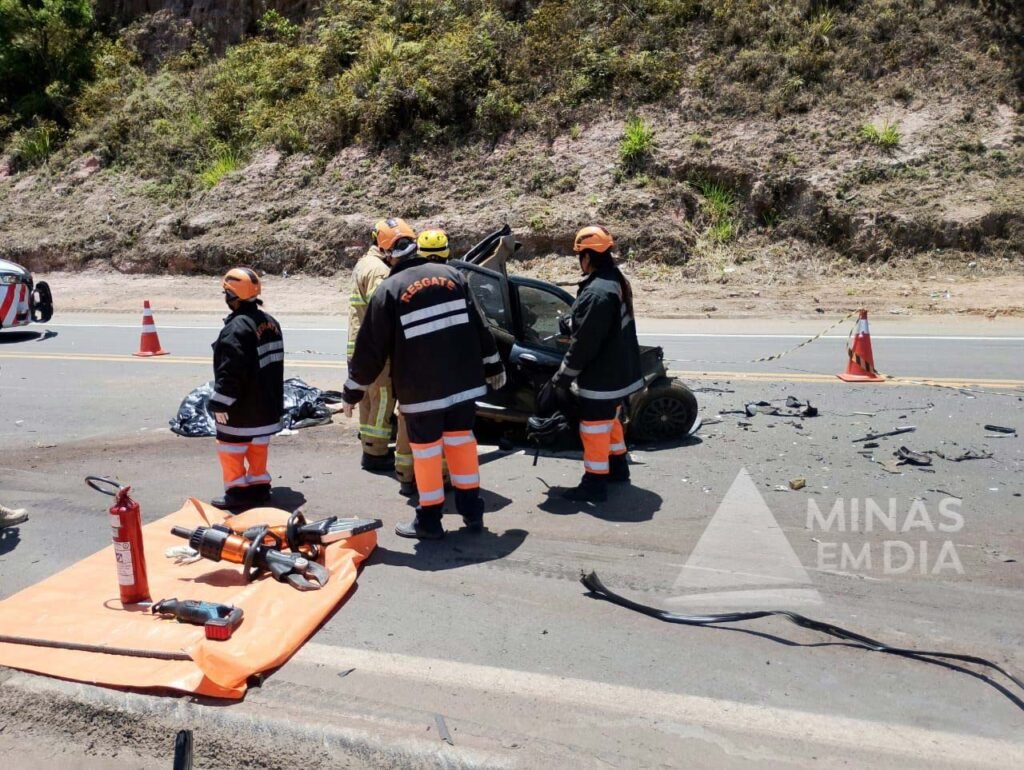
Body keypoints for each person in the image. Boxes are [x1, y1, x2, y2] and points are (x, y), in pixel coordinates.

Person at [342, 229, 506, 539]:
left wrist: (353, 390)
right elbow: (479, 325)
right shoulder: (454, 276)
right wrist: (493, 363)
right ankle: (472, 512)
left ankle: (429, 521)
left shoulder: (389, 290)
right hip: (463, 386)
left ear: (390, 256)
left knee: (427, 453)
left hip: (422, 392)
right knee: (461, 444)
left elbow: (370, 349)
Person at [550, 225, 642, 503]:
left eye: (580, 256)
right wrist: (575, 321)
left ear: (587, 256)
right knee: (610, 422)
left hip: (602, 377)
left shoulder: (597, 292)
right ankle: (618, 468)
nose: (580, 261)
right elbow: (601, 325)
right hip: (618, 373)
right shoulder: (614, 280)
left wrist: (563, 377)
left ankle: (594, 483)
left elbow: (584, 345)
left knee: (593, 429)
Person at [207, 267, 285, 510]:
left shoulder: (236, 328)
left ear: (233, 296)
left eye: (227, 294)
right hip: (266, 408)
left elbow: (231, 370)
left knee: (230, 448)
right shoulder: (270, 323)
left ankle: (238, 492)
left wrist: (220, 402)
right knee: (258, 446)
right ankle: (260, 487)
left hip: (242, 409)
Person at [348, 218, 411, 473]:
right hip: (376, 350)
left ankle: (369, 443)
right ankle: (376, 453)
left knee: (368, 398)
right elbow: (383, 313)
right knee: (383, 398)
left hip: (360, 346)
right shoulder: (380, 272)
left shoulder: (365, 263)